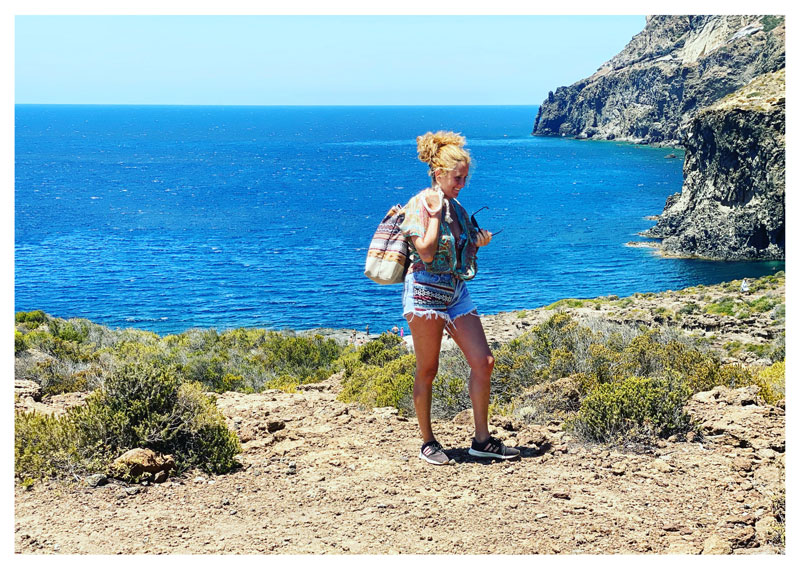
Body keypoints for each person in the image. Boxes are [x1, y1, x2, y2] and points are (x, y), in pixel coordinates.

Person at [400, 130, 520, 465]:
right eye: (457, 178)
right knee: (428, 369)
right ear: (439, 174)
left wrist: (478, 243)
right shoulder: (420, 205)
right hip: (424, 293)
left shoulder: (460, 208)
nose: (462, 184)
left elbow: (461, 257)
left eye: (465, 178)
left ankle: (482, 440)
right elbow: (424, 252)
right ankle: (427, 442)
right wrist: (436, 216)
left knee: (484, 362)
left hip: (455, 292)